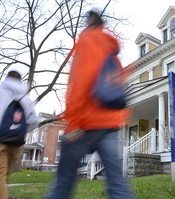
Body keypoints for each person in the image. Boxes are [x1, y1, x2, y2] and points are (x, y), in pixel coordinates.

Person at [48, 10, 134, 199]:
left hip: (86, 122)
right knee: (117, 182)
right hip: (110, 124)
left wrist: (74, 121)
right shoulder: (112, 50)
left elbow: (78, 82)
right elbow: (119, 87)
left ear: (90, 23)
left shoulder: (86, 42)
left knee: (63, 183)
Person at [0, 71, 38, 199]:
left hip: (1, 141)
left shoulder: (1, 92)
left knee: (0, 175)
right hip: (17, 143)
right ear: (20, 81)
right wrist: (21, 131)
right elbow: (34, 121)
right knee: (5, 176)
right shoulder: (26, 98)